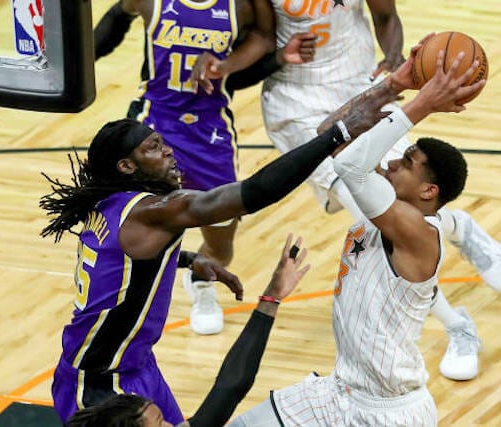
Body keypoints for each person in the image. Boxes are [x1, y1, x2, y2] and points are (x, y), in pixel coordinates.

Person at [40, 65, 408, 425]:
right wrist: (337, 135)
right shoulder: (154, 211)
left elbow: (115, 266)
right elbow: (256, 192)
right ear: (126, 166)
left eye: (163, 142)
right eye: (153, 148)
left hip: (134, 365)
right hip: (99, 384)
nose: (168, 151)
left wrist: (187, 259)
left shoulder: (108, 203)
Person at [229, 42, 483, 427]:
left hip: (391, 413)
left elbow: (349, 165)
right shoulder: (386, 201)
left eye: (407, 163)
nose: (392, 163)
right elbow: (327, 134)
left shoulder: (417, 233)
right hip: (336, 392)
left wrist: (422, 106)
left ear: (428, 191)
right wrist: (394, 84)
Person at [261, 0, 501, 380]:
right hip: (297, 100)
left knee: (388, 214)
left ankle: (457, 326)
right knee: (378, 213)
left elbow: (385, 15)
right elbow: (255, 41)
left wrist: (395, 63)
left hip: (358, 82)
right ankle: (452, 228)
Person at [93, 0, 317, 336]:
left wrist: (231, 65)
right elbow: (117, 16)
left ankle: (200, 282)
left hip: (210, 131)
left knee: (221, 244)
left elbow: (262, 38)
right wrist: (75, 67)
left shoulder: (242, 6)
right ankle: (120, 295)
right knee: (127, 221)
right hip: (154, 123)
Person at [65, 234, 311, 427]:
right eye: (161, 424)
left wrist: (271, 297)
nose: (172, 425)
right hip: (92, 373)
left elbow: (230, 389)